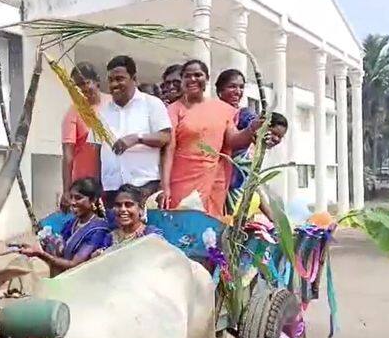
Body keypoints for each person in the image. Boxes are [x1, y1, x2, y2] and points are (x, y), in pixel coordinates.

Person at [163, 60, 264, 219]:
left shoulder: (223, 109)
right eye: (187, 76)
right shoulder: (174, 109)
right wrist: (165, 186)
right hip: (181, 179)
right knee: (180, 221)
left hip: (213, 179)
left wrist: (252, 128)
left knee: (210, 228)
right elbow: (168, 150)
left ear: (207, 78)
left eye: (198, 75)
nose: (193, 79)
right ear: (182, 80)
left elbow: (232, 140)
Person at [89, 55, 172, 207]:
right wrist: (97, 187)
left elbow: (165, 137)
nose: (114, 84)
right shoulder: (101, 113)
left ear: (134, 79)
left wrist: (136, 138)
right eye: (111, 79)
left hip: (144, 186)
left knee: (144, 231)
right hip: (111, 188)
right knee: (114, 231)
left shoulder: (152, 104)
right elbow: (96, 150)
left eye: (120, 79)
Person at [14, 178, 110, 276]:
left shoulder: (98, 230)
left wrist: (40, 254)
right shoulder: (72, 223)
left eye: (78, 198)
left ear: (93, 200)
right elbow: (61, 250)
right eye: (71, 197)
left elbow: (74, 265)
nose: (72, 202)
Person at [61, 62, 110, 211]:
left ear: (97, 81)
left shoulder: (113, 104)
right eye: (76, 86)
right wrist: (67, 190)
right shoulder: (73, 113)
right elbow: (68, 156)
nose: (81, 89)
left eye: (85, 83)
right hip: (87, 184)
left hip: (113, 178)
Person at [227, 112, 289, 222]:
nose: (276, 139)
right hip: (228, 210)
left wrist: (272, 218)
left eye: (280, 137)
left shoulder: (256, 153)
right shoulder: (243, 149)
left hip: (241, 212)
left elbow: (253, 185)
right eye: (274, 133)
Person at [96, 184, 163, 253]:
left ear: (141, 209)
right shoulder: (110, 238)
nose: (122, 209)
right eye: (118, 205)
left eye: (128, 205)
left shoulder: (150, 234)